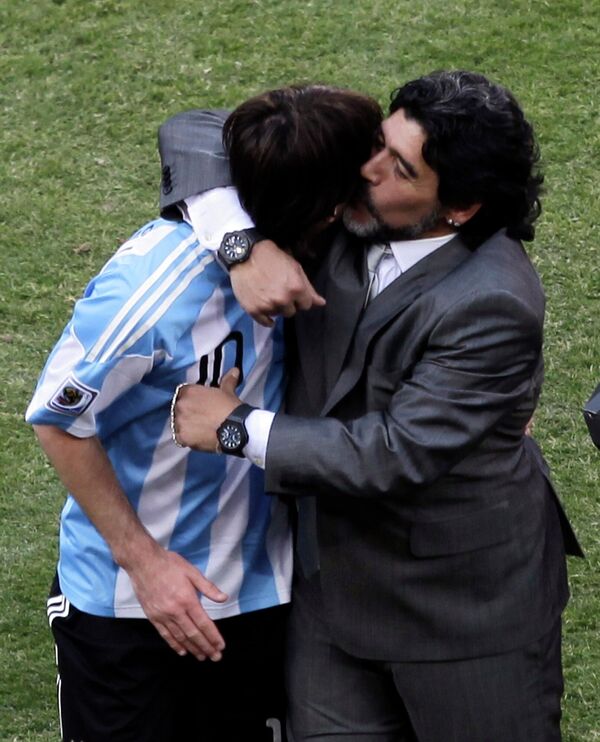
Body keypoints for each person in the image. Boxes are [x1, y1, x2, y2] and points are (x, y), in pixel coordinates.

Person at [168, 71, 583, 741]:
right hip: (332, 600)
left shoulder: (493, 303)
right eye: (379, 143)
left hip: (464, 617)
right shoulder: (361, 204)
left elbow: (393, 452)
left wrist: (236, 427)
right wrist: (240, 248)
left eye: (398, 168)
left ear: (462, 206)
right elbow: (192, 132)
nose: (363, 171)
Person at [25, 84, 382, 742]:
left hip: (268, 595)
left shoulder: (319, 249)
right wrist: (145, 564)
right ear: (328, 209)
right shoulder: (149, 297)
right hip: (134, 610)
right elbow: (56, 419)